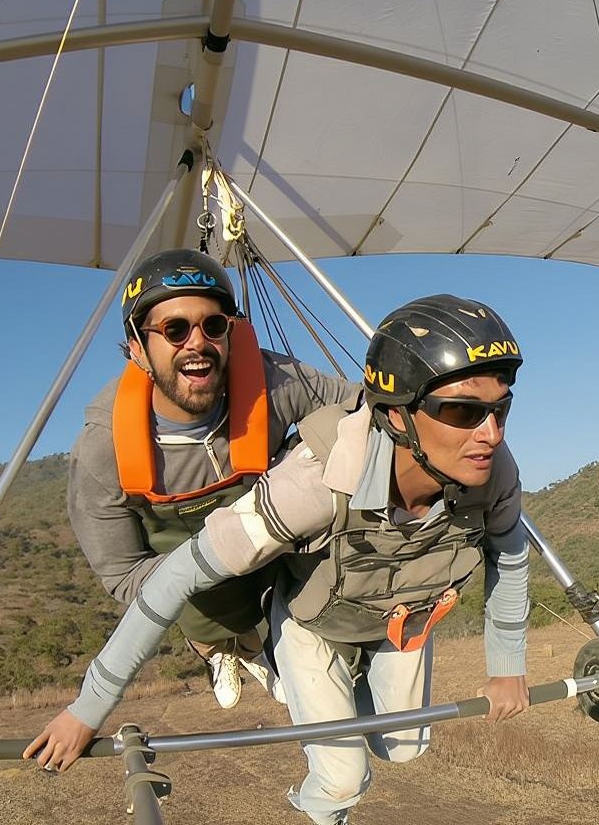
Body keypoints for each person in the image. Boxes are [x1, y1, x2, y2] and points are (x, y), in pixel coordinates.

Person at [28, 294, 532, 825]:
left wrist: (507, 667)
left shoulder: (493, 471)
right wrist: (88, 710)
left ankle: (344, 700)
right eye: (463, 411)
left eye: (501, 408)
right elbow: (173, 577)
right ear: (396, 416)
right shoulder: (314, 483)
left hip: (400, 615)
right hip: (316, 621)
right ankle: (310, 777)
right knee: (343, 777)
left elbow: (511, 555)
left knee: (405, 747)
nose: (491, 433)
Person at [68, 247, 361, 708]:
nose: (196, 343)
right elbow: (124, 574)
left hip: (274, 545)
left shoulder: (273, 380)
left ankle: (272, 639)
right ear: (137, 349)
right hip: (195, 576)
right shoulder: (103, 449)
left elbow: (362, 411)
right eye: (174, 329)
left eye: (213, 325)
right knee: (214, 616)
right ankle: (216, 647)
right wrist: (210, 566)